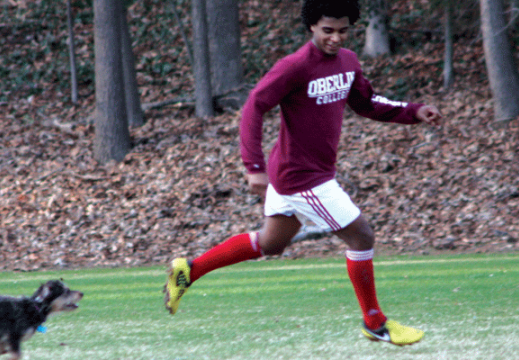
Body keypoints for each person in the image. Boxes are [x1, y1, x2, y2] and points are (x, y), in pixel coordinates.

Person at [163, 0, 442, 346]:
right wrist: (253, 166)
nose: (336, 38)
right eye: (328, 30)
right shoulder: (293, 67)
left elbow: (367, 103)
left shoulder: (348, 62)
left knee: (271, 243)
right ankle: (375, 322)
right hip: (303, 177)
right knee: (362, 237)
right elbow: (254, 106)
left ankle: (190, 270)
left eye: (342, 30)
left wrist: (413, 112)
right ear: (311, 26)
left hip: (296, 172)